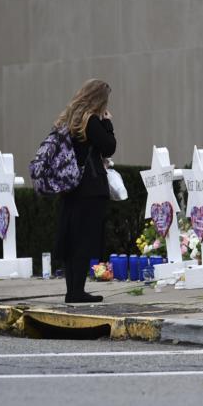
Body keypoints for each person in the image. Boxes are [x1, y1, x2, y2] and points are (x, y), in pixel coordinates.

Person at [53, 79, 116, 303]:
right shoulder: (91, 121)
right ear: (99, 99)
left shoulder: (68, 119)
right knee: (83, 240)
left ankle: (72, 290)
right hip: (89, 187)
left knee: (72, 239)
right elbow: (109, 146)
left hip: (70, 187)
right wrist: (107, 123)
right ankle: (77, 292)